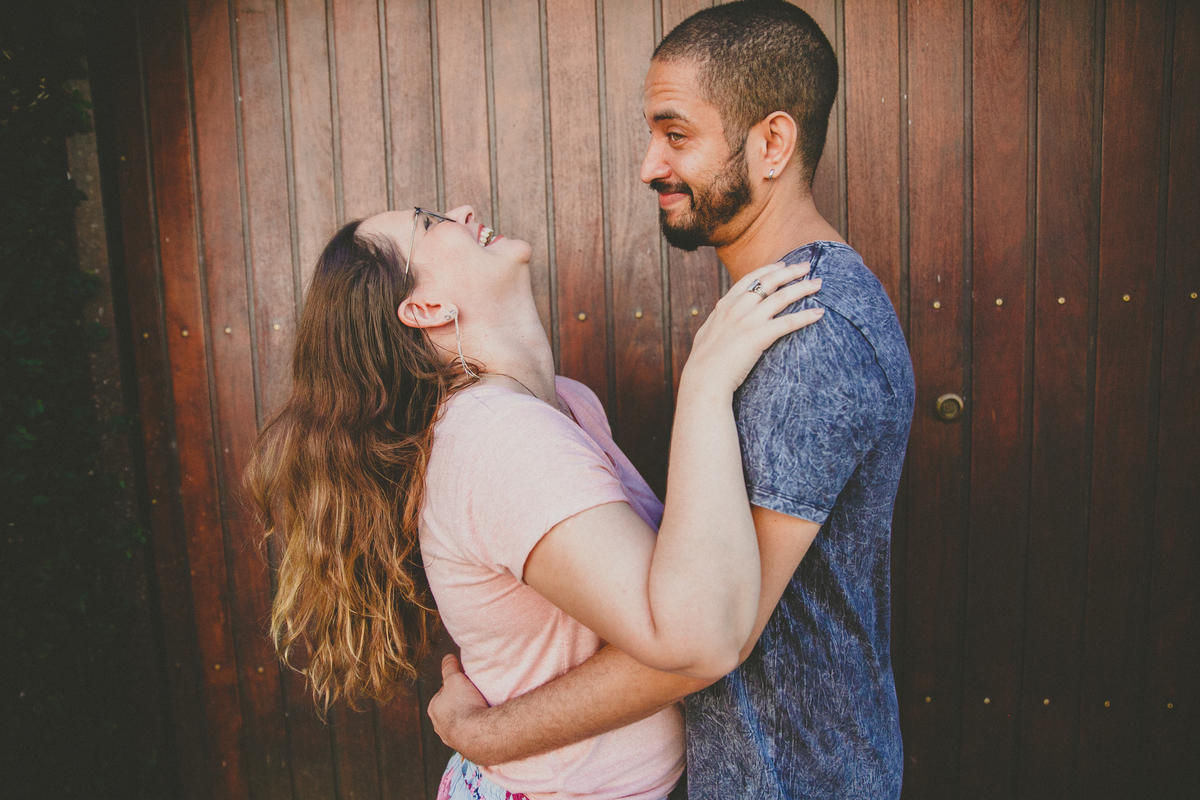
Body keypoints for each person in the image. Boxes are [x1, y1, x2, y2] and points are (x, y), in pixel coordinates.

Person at [428, 2, 915, 798]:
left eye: (677, 134)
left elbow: (707, 638)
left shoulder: (810, 332)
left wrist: (482, 733)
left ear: (772, 143)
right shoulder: (777, 312)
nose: (650, 164)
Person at [244, 200, 824, 800]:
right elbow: (700, 640)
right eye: (427, 221)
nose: (462, 210)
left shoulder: (563, 404)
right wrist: (706, 386)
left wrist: (485, 733)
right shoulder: (497, 436)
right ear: (426, 308)